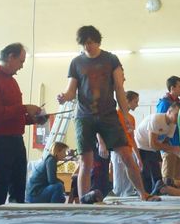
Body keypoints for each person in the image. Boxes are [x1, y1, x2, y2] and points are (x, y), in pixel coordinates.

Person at [56, 26, 158, 202]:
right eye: (83, 44)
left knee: (126, 154)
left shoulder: (110, 59)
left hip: (108, 115)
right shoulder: (76, 62)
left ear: (97, 41)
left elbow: (119, 88)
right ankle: (83, 200)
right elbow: (71, 90)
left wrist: (125, 114)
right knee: (86, 161)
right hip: (84, 117)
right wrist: (64, 97)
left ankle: (143, 193)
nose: (87, 47)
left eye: (90, 43)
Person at [0, 42, 47, 208]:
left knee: (18, 187)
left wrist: (33, 119)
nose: (22, 66)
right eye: (21, 61)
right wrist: (25, 108)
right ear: (11, 57)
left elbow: (12, 116)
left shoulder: (12, 82)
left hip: (16, 140)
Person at [135, 103, 179, 195]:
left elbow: (166, 142)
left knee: (157, 175)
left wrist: (174, 150)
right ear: (169, 111)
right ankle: (145, 194)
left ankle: (157, 192)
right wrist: (173, 148)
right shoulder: (157, 119)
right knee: (146, 174)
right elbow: (153, 144)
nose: (178, 118)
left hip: (154, 146)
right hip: (142, 145)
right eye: (176, 115)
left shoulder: (173, 124)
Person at [111, 91, 141, 198]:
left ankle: (128, 196)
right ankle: (118, 197)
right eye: (135, 102)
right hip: (118, 150)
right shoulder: (115, 115)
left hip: (129, 150)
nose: (137, 104)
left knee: (130, 178)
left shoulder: (131, 118)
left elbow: (132, 138)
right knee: (119, 179)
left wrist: (138, 156)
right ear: (127, 101)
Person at [155, 76, 180, 184]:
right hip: (168, 144)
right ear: (172, 88)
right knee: (168, 176)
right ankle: (165, 192)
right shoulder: (165, 103)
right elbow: (160, 125)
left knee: (176, 176)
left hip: (177, 142)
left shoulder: (178, 103)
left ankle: (175, 193)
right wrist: (166, 145)